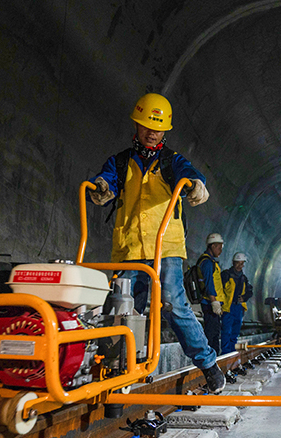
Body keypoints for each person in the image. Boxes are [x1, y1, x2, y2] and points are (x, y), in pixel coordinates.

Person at [86, 92, 225, 393]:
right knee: (123, 308)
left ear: (165, 131)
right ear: (136, 125)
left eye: (158, 128)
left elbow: (188, 172)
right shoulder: (121, 162)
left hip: (167, 249)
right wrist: (101, 188)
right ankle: (122, 368)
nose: (152, 133)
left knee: (175, 305)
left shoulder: (170, 161)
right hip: (129, 249)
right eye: (147, 126)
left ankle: (209, 366)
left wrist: (196, 183)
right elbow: (106, 179)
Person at [196, 233, 226, 355]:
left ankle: (214, 359)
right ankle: (211, 360)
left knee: (214, 333)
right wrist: (214, 302)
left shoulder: (211, 261)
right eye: (219, 247)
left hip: (213, 303)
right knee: (211, 334)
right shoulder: (207, 262)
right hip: (210, 304)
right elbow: (209, 283)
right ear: (212, 246)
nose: (220, 251)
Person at [220, 252, 253, 354]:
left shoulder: (243, 278)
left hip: (238, 308)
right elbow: (219, 290)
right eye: (238, 263)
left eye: (242, 263)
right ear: (233, 263)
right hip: (228, 307)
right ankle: (225, 353)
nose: (240, 266)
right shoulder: (226, 275)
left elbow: (250, 291)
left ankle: (232, 352)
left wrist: (244, 298)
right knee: (226, 331)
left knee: (235, 332)